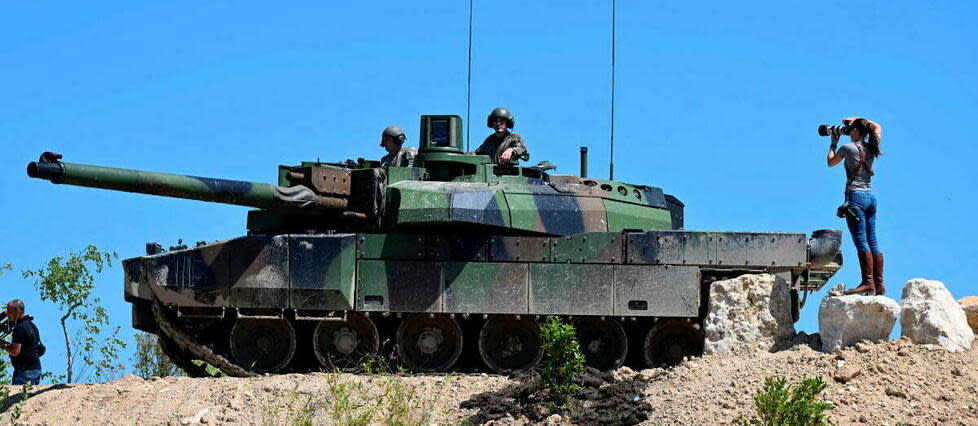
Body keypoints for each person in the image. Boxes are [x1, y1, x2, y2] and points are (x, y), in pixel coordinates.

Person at [827, 117, 885, 296]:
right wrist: (859, 119)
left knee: (861, 240)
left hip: (856, 198)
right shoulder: (872, 147)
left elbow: (830, 162)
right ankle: (879, 284)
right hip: (870, 198)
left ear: (856, 131)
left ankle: (867, 283)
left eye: (850, 128)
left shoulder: (847, 148)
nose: (847, 131)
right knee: (872, 240)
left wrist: (833, 143)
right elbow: (878, 126)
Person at [3, 299, 43, 385]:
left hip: (26, 372)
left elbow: (15, 351)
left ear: (17, 311)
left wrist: (2, 344)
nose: (8, 315)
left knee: (20, 398)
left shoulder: (20, 327)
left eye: (10, 312)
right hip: (34, 369)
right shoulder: (31, 325)